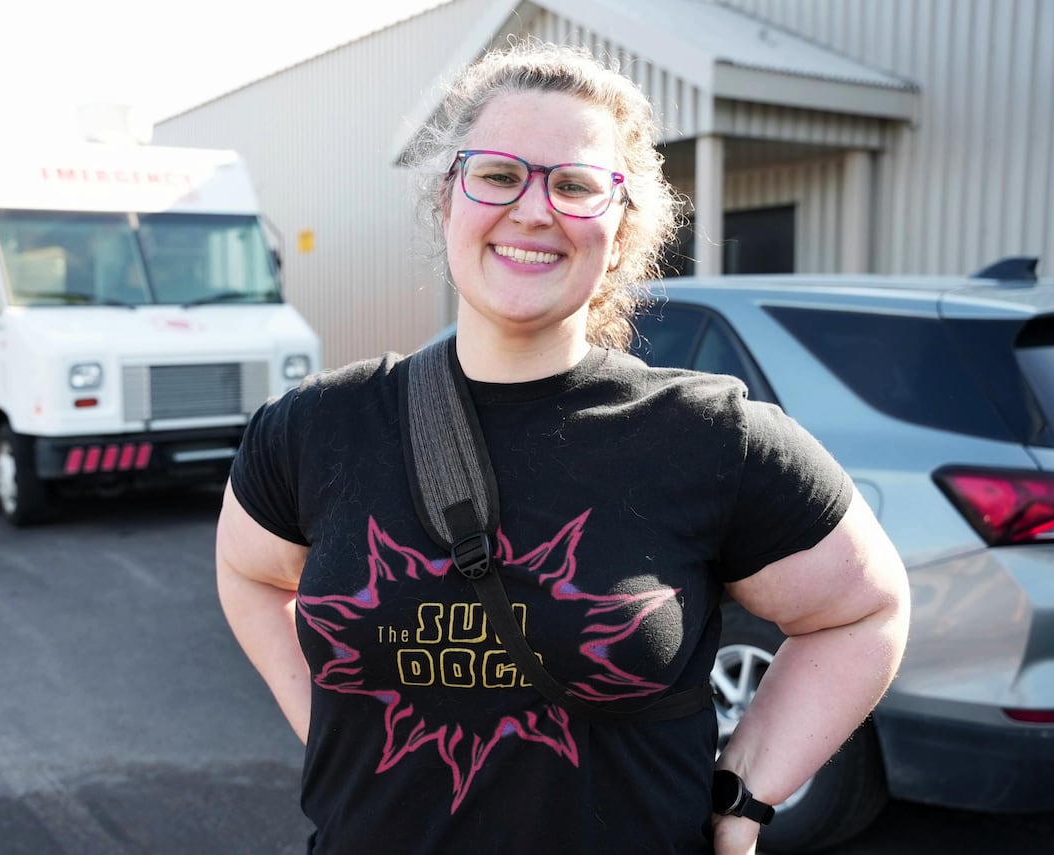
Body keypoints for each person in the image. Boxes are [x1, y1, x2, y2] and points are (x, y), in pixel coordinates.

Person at [215, 39, 910, 855]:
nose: (535, 209)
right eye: (500, 175)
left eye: (577, 186)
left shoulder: (710, 436)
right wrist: (332, 727)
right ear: (448, 199)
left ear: (619, 236)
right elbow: (249, 573)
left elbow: (866, 609)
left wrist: (746, 794)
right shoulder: (315, 427)